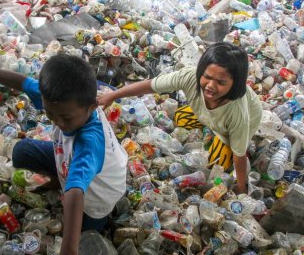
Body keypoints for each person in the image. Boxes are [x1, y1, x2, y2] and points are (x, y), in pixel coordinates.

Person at [0, 50, 128, 255]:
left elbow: (76, 190)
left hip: (97, 195)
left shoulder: (90, 141)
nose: (58, 122)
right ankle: (57, 180)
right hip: (66, 161)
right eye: (50, 115)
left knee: (84, 236)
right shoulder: (59, 99)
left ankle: (88, 214)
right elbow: (21, 81)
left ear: (92, 106)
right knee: (22, 151)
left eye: (65, 117)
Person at [98, 42, 262, 193]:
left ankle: (221, 136)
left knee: (219, 163)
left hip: (233, 125)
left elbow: (239, 155)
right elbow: (151, 85)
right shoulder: (190, 77)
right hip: (211, 116)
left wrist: (241, 186)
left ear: (235, 84)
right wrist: (114, 95)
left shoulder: (238, 113)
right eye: (207, 77)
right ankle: (211, 129)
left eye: (221, 82)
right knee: (180, 117)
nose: (211, 85)